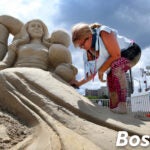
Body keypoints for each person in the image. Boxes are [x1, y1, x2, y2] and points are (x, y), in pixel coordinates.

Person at [70, 22, 141, 113]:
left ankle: (122, 105)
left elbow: (116, 55)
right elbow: (91, 74)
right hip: (115, 61)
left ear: (90, 36)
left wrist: (101, 71)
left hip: (132, 51)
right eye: (79, 46)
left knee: (116, 67)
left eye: (82, 44)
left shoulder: (103, 32)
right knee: (110, 78)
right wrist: (77, 84)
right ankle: (113, 107)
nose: (82, 48)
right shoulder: (87, 54)